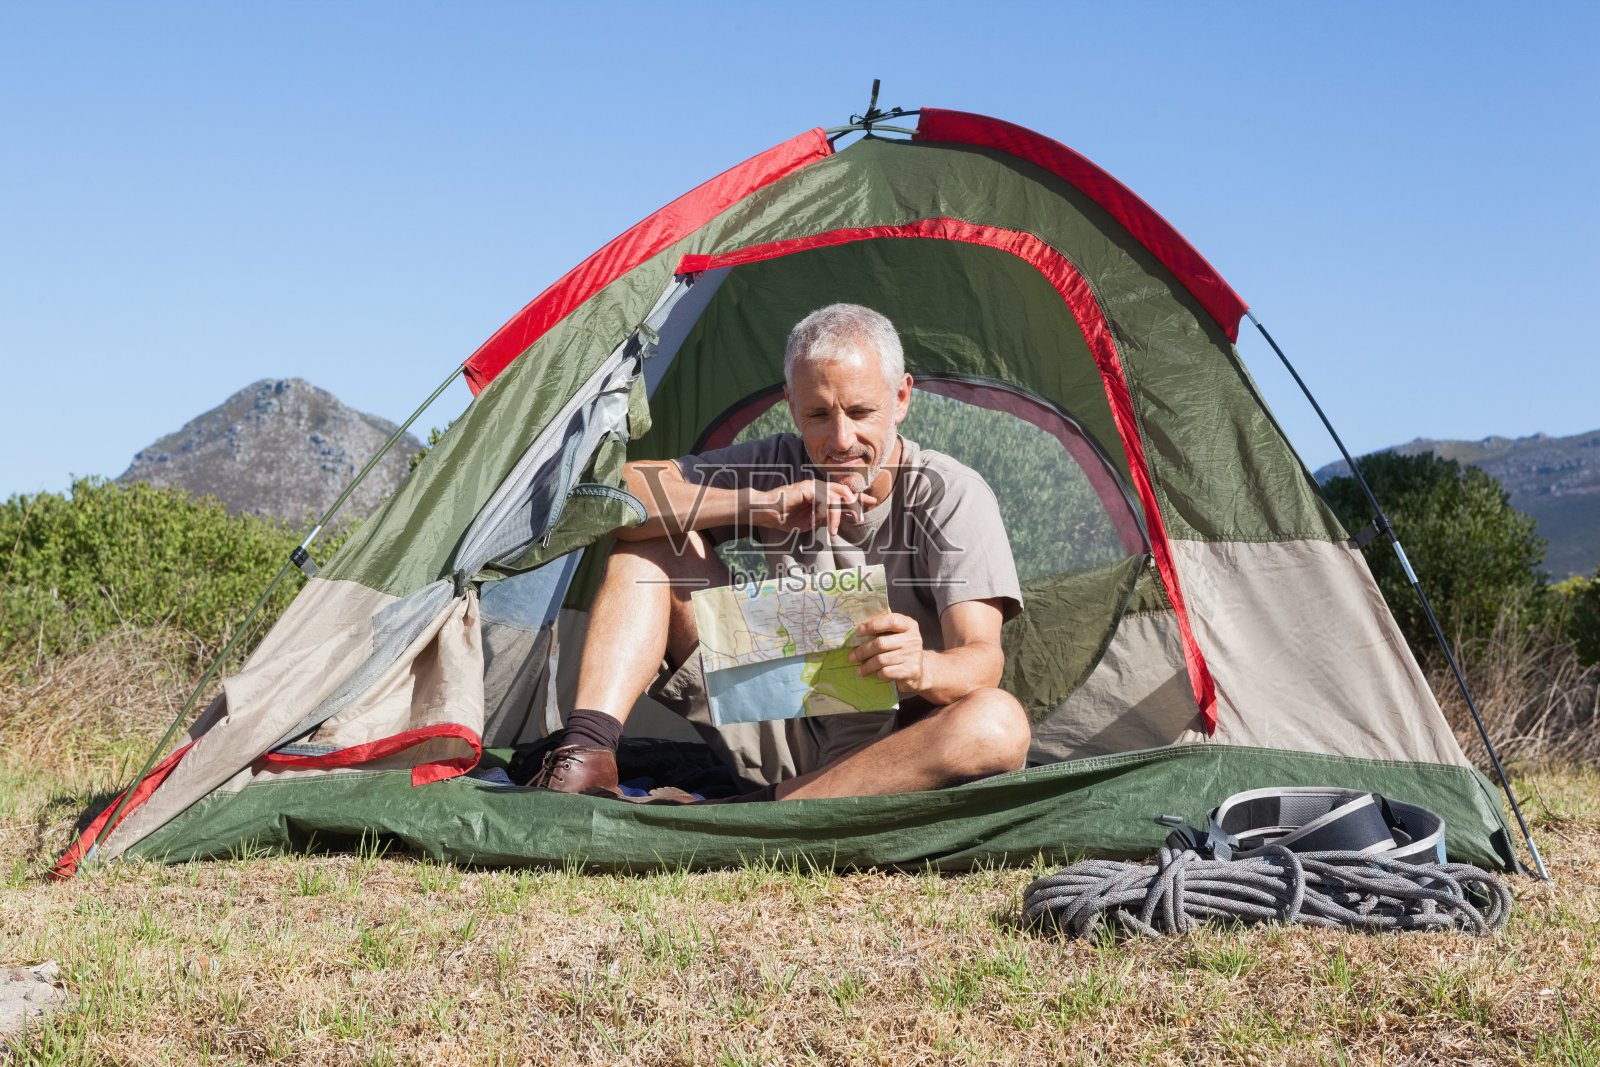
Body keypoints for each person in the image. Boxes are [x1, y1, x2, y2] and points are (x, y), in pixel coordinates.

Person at [527, 303, 1029, 801]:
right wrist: (759, 504)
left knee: (998, 722)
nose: (840, 440)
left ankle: (754, 813)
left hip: (896, 756)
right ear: (792, 406)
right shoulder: (779, 463)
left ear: (900, 398)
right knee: (652, 542)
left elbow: (984, 660)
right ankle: (585, 756)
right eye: (817, 415)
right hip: (782, 723)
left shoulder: (950, 492)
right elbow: (624, 492)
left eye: (860, 412)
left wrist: (924, 667)